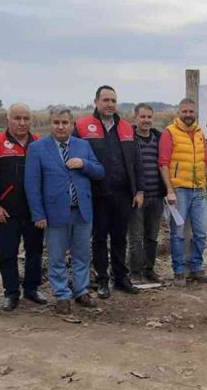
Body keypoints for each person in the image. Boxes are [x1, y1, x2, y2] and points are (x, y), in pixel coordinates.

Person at [25, 106, 105, 314]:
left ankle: (81, 291)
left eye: (64, 123)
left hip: (82, 211)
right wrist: (38, 214)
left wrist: (84, 164)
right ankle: (61, 295)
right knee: (56, 256)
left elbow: (99, 171)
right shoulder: (37, 148)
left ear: (72, 124)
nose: (60, 126)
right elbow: (32, 185)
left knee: (81, 254)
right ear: (50, 124)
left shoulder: (83, 146)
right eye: (56, 122)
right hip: (54, 214)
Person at [74, 86, 145, 298]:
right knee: (99, 238)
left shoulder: (125, 127)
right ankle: (102, 280)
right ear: (96, 101)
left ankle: (121, 278)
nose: (110, 104)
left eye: (113, 100)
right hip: (96, 194)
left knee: (119, 238)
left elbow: (137, 162)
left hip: (123, 193)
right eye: (105, 100)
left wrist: (139, 190)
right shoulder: (83, 127)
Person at [0, 103, 47, 311]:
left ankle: (32, 288)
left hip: (34, 212)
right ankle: (11, 292)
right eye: (17, 118)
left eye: (26, 118)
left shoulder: (39, 143)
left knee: (34, 252)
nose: (22, 123)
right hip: (6, 213)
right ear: (7, 120)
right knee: (7, 253)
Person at [158, 98, 207, 287]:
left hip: (199, 190)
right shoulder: (169, 133)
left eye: (191, 111)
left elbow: (205, 161)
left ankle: (196, 267)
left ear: (195, 113)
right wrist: (169, 190)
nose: (188, 115)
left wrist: (206, 183)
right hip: (179, 190)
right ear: (178, 113)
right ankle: (179, 271)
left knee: (201, 232)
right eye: (185, 112)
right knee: (178, 233)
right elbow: (164, 163)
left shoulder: (199, 133)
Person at [127, 103, 164, 283]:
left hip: (156, 196)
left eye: (149, 117)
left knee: (152, 237)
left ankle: (149, 269)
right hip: (137, 197)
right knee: (135, 237)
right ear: (135, 118)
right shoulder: (129, 140)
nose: (146, 120)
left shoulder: (159, 139)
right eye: (142, 117)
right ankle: (135, 272)